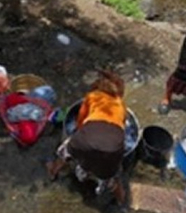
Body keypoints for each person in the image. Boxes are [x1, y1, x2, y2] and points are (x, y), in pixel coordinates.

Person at [47, 70, 127, 205]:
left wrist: (79, 134)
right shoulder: (121, 104)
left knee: (66, 151)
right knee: (111, 176)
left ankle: (53, 171)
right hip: (112, 146)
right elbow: (122, 128)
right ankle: (121, 198)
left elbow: (80, 121)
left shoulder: (92, 96)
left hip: (87, 139)